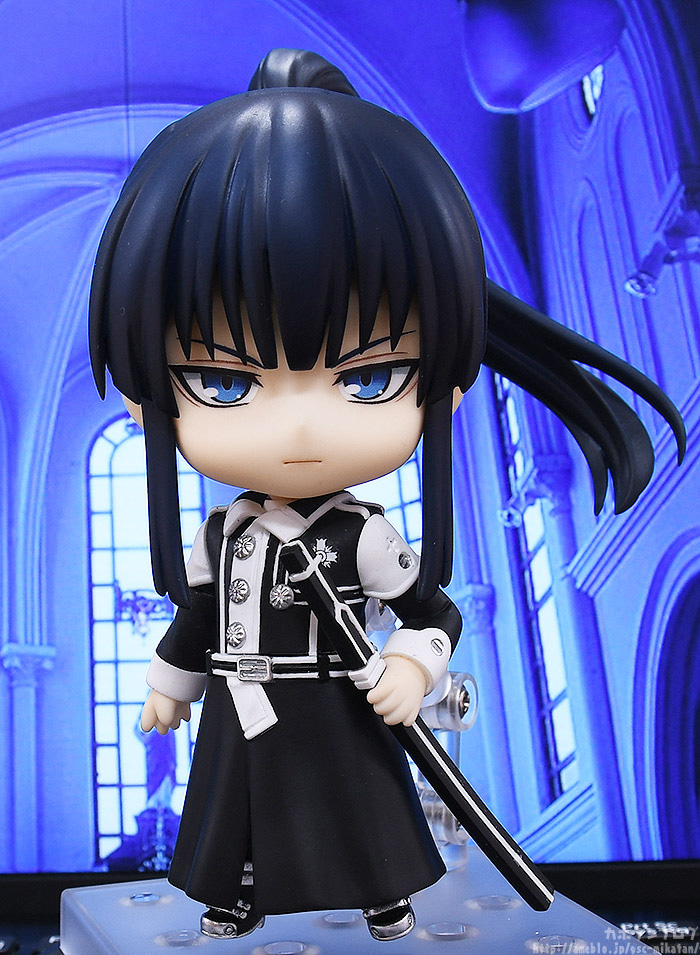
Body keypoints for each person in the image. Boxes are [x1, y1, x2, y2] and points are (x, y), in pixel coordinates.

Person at [88, 48, 684, 941]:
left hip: (337, 698)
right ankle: (236, 895)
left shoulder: (362, 534)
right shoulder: (223, 535)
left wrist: (411, 666)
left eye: (367, 379)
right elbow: (199, 618)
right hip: (244, 705)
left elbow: (430, 610)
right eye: (224, 381)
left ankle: (383, 893)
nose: (299, 427)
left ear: (442, 385)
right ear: (148, 399)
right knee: (236, 819)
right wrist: (171, 685)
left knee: (360, 805)